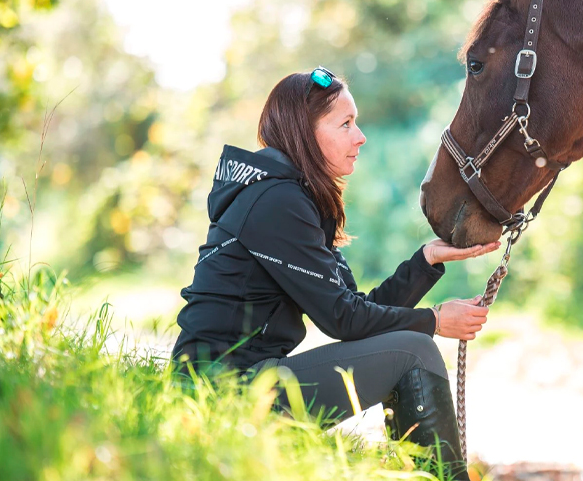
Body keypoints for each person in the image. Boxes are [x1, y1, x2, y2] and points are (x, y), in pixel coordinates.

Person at [171, 67, 498, 480]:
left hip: (239, 383)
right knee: (415, 350)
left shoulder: (292, 197)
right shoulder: (277, 200)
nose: (359, 136)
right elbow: (344, 321)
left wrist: (427, 260)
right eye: (345, 124)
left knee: (411, 345)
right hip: (221, 393)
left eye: (355, 122)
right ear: (304, 134)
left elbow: (357, 312)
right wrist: (434, 321)